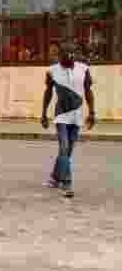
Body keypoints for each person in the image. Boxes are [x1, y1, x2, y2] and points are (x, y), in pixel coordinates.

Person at [41, 41, 96, 198]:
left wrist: (92, 112)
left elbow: (88, 91)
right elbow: (48, 93)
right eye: (64, 53)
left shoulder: (84, 69)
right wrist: (44, 113)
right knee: (64, 147)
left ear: (75, 54)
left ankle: (54, 178)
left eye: (71, 53)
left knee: (67, 151)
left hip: (77, 115)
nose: (68, 56)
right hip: (61, 115)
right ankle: (67, 183)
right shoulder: (52, 71)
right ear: (59, 55)